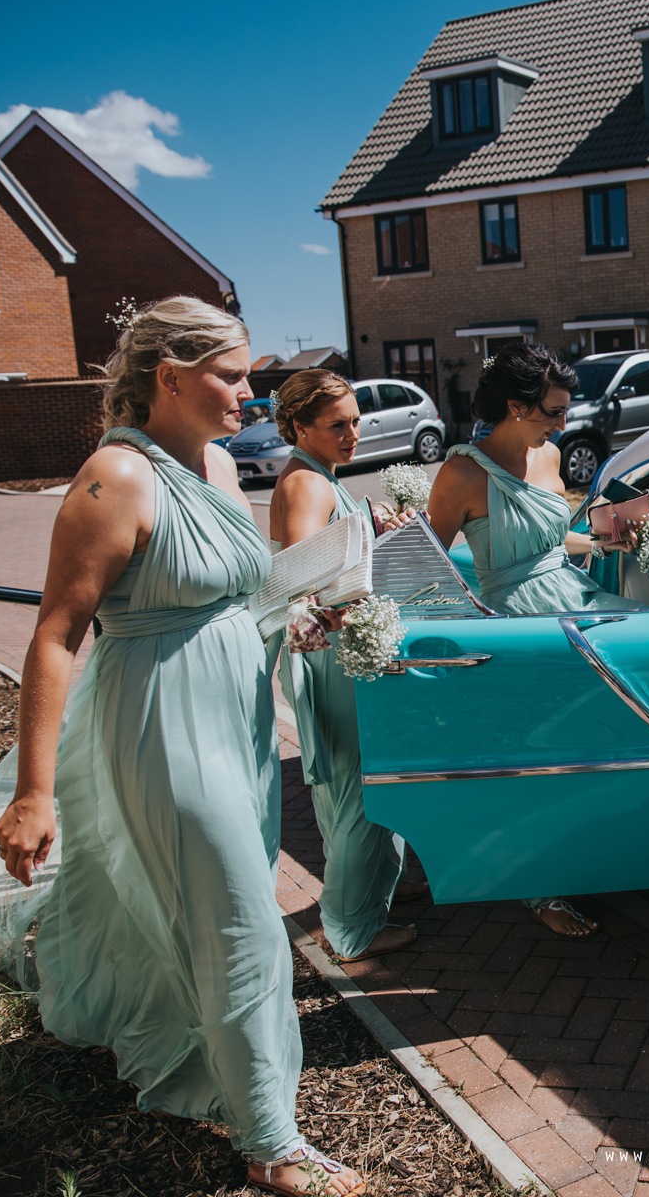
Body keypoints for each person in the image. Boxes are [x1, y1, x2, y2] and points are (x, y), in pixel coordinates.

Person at [0, 297, 362, 1197]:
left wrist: (301, 612)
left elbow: (230, 591)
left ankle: (233, 1083)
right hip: (164, 724)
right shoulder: (115, 479)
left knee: (226, 905)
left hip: (239, 717)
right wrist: (33, 792)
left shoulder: (215, 465)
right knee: (242, 921)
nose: (250, 393)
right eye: (231, 375)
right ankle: (271, 1144)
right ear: (169, 377)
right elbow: (56, 635)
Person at [426, 342, 643, 938]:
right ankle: (539, 887)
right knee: (537, 756)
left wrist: (604, 543)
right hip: (518, 622)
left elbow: (550, 542)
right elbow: (430, 565)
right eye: (553, 410)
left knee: (613, 722)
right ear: (517, 407)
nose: (563, 423)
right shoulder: (462, 472)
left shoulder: (548, 456)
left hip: (571, 598)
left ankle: (602, 850)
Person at [267, 369, 422, 965]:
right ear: (301, 425)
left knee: (354, 785)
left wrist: (376, 526)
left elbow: (333, 557)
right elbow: (302, 582)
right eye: (338, 424)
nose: (353, 432)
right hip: (334, 655)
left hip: (340, 650)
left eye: (356, 420)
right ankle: (351, 931)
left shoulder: (317, 474)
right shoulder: (308, 483)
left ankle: (368, 899)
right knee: (357, 788)